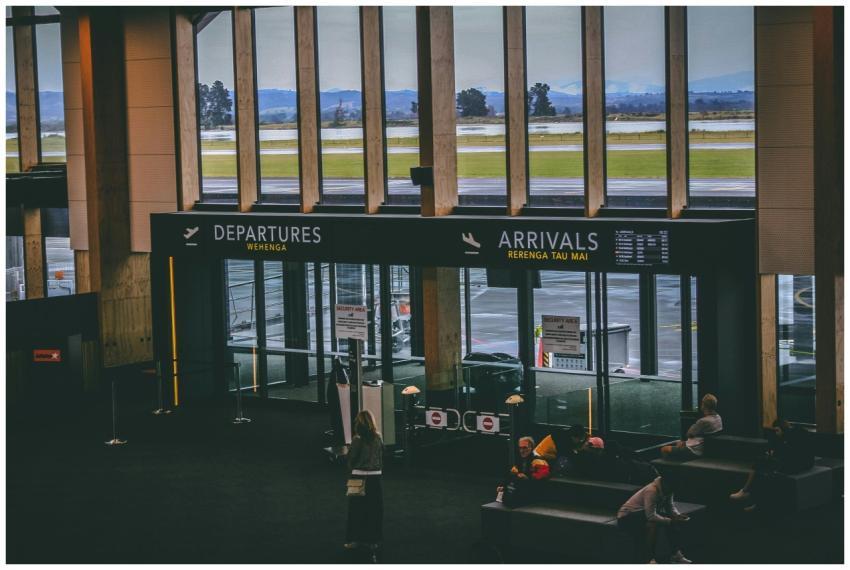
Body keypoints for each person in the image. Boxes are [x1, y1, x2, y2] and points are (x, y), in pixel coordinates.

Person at [729, 418, 814, 512]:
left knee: (765, 469)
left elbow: (794, 454)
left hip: (801, 464)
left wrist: (775, 455)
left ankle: (748, 494)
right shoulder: (788, 435)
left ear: (783, 428)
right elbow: (785, 452)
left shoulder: (795, 435)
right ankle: (751, 497)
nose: (776, 433)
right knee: (762, 465)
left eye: (777, 430)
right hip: (796, 462)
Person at [617, 473, 692, 564]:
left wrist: (678, 516)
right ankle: (649, 558)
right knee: (653, 523)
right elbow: (651, 516)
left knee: (671, 520)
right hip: (627, 517)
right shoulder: (652, 490)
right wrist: (671, 521)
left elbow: (670, 507)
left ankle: (675, 554)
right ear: (665, 483)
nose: (673, 490)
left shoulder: (669, 489)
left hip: (642, 514)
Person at [345, 410, 384, 551]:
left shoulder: (357, 439)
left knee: (356, 510)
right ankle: (373, 540)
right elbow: (380, 457)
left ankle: (354, 539)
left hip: (359, 476)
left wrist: (350, 474)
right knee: (374, 510)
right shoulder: (378, 438)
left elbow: (351, 460)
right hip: (376, 478)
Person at [661, 394, 722, 459]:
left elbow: (689, 434)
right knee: (678, 443)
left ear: (703, 406)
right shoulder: (718, 418)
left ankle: (670, 467)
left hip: (694, 450)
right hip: (702, 447)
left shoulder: (703, 421)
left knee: (664, 449)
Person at [497, 436, 550, 506]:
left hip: (533, 494)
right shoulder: (520, 460)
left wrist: (527, 478)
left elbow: (542, 481)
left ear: (531, 448)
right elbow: (511, 476)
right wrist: (503, 486)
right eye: (520, 448)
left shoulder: (539, 461)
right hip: (520, 493)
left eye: (524, 447)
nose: (522, 450)